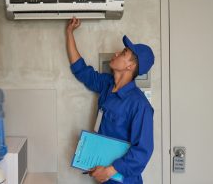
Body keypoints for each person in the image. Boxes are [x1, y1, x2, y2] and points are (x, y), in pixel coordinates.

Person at [66, 17, 154, 184]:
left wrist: (109, 171)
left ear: (130, 67)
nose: (116, 53)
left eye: (123, 53)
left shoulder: (140, 105)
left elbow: (143, 151)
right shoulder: (107, 84)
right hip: (103, 176)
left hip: (122, 179)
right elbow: (81, 70)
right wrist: (69, 33)